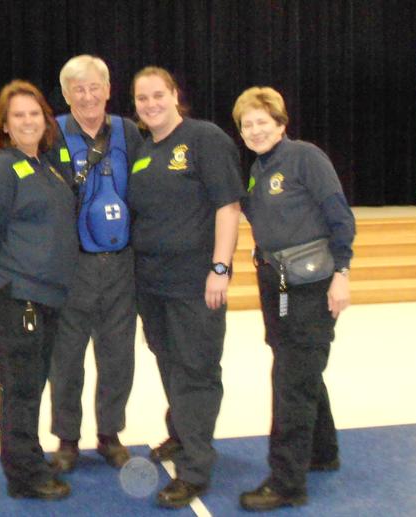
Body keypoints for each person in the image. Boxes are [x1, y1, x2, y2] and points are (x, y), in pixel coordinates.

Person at [232, 86, 355, 511]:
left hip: (311, 285)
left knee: (290, 382)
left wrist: (342, 273)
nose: (254, 131)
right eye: (247, 125)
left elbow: (340, 216)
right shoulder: (258, 168)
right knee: (300, 371)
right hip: (276, 283)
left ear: (281, 124)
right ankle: (323, 452)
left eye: (262, 123)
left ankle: (287, 482)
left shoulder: (305, 157)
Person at [129, 66, 243, 509]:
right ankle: (180, 435)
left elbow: (228, 207)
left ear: (175, 94)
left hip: (196, 282)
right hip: (152, 284)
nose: (151, 104)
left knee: (196, 370)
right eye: (142, 98)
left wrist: (220, 267)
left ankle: (196, 469)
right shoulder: (142, 150)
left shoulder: (204, 138)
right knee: (169, 361)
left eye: (158, 95)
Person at [0, 80, 78, 500]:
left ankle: (27, 456)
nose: (28, 121)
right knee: (21, 387)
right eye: (19, 115)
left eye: (35, 113)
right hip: (17, 296)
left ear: (45, 120)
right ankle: (24, 477)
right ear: (5, 125)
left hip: (46, 295)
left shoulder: (45, 164)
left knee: (30, 383)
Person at [47, 55, 143, 472]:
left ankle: (110, 434)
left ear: (108, 89)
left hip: (121, 263)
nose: (87, 96)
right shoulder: (50, 134)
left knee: (118, 353)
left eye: (94, 87)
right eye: (77, 89)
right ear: (66, 94)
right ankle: (67, 439)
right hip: (72, 266)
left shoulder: (131, 133)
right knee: (65, 356)